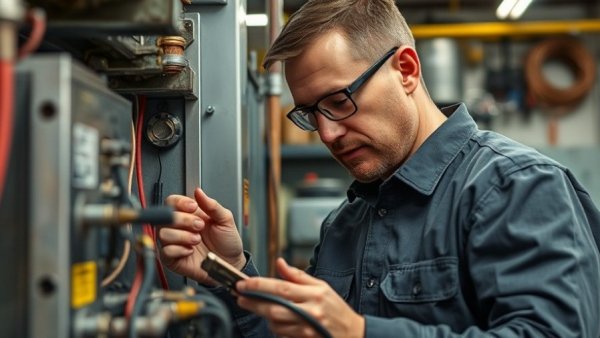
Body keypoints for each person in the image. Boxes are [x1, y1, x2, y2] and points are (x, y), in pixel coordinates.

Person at [159, 0, 600, 337]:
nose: (328, 134)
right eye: (311, 114)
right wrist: (229, 269)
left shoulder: (516, 187)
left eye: (338, 101)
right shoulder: (345, 223)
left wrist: (360, 331)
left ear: (405, 69)